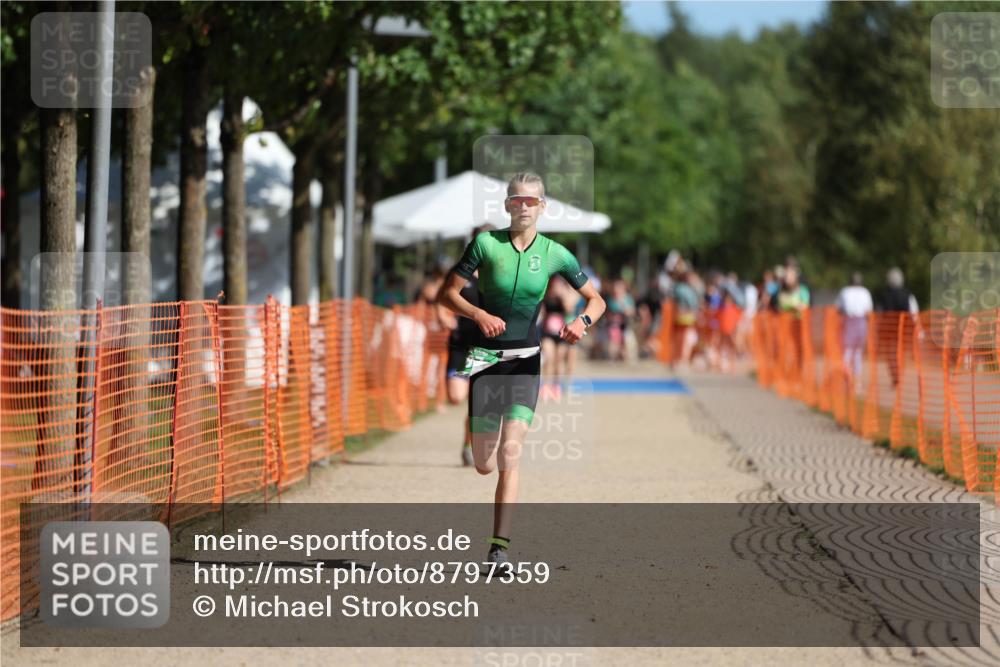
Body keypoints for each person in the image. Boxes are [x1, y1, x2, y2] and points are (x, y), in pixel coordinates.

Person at [437, 172, 606, 570]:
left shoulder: (555, 253)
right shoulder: (484, 244)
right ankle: (478, 444)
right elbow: (446, 293)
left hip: (526, 361)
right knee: (483, 463)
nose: (524, 206)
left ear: (542, 207)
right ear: (508, 205)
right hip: (484, 359)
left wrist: (582, 322)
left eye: (532, 201)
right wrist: (478, 314)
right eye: (517, 200)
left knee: (511, 454)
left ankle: (499, 550)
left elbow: (595, 300)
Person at [440, 225, 493, 467]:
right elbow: (442, 298)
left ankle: (467, 445)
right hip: (461, 345)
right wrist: (443, 317)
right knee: (455, 397)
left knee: (477, 402)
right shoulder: (460, 271)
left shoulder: (501, 274)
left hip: (485, 347)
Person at [875, 267, 918, 386]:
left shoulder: (883, 295)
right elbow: (914, 311)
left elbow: (879, 313)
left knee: (891, 354)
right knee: (901, 352)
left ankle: (895, 375)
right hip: (903, 329)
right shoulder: (908, 294)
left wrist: (878, 328)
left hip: (888, 329)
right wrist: (917, 327)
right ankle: (899, 373)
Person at [835, 272, 874, 388]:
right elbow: (869, 311)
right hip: (861, 322)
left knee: (847, 351)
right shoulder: (865, 292)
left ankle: (846, 377)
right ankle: (857, 381)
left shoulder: (845, 291)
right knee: (857, 352)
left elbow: (838, 308)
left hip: (849, 322)